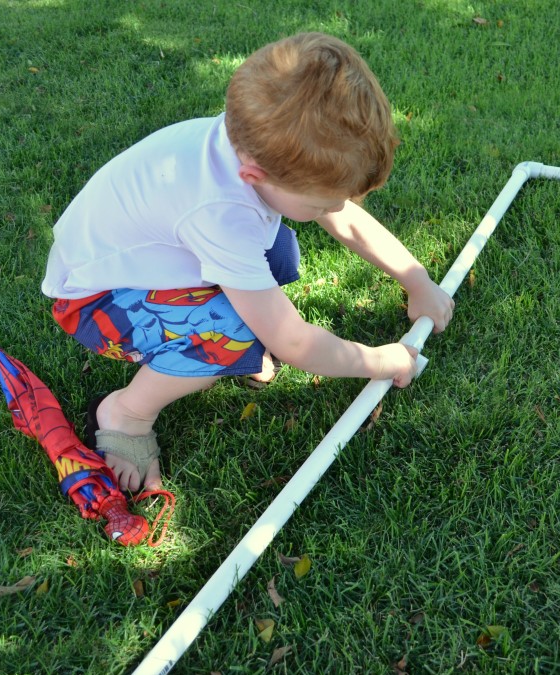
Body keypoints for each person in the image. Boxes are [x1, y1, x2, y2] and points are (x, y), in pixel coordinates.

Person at [41, 32, 454, 493]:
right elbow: (294, 342)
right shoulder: (219, 212)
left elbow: (348, 222)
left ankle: (222, 343)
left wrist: (416, 279)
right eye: (321, 205)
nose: (333, 211)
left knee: (278, 252)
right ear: (254, 175)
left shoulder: (253, 146)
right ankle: (126, 413)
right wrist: (380, 360)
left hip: (146, 265)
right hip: (94, 300)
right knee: (229, 337)